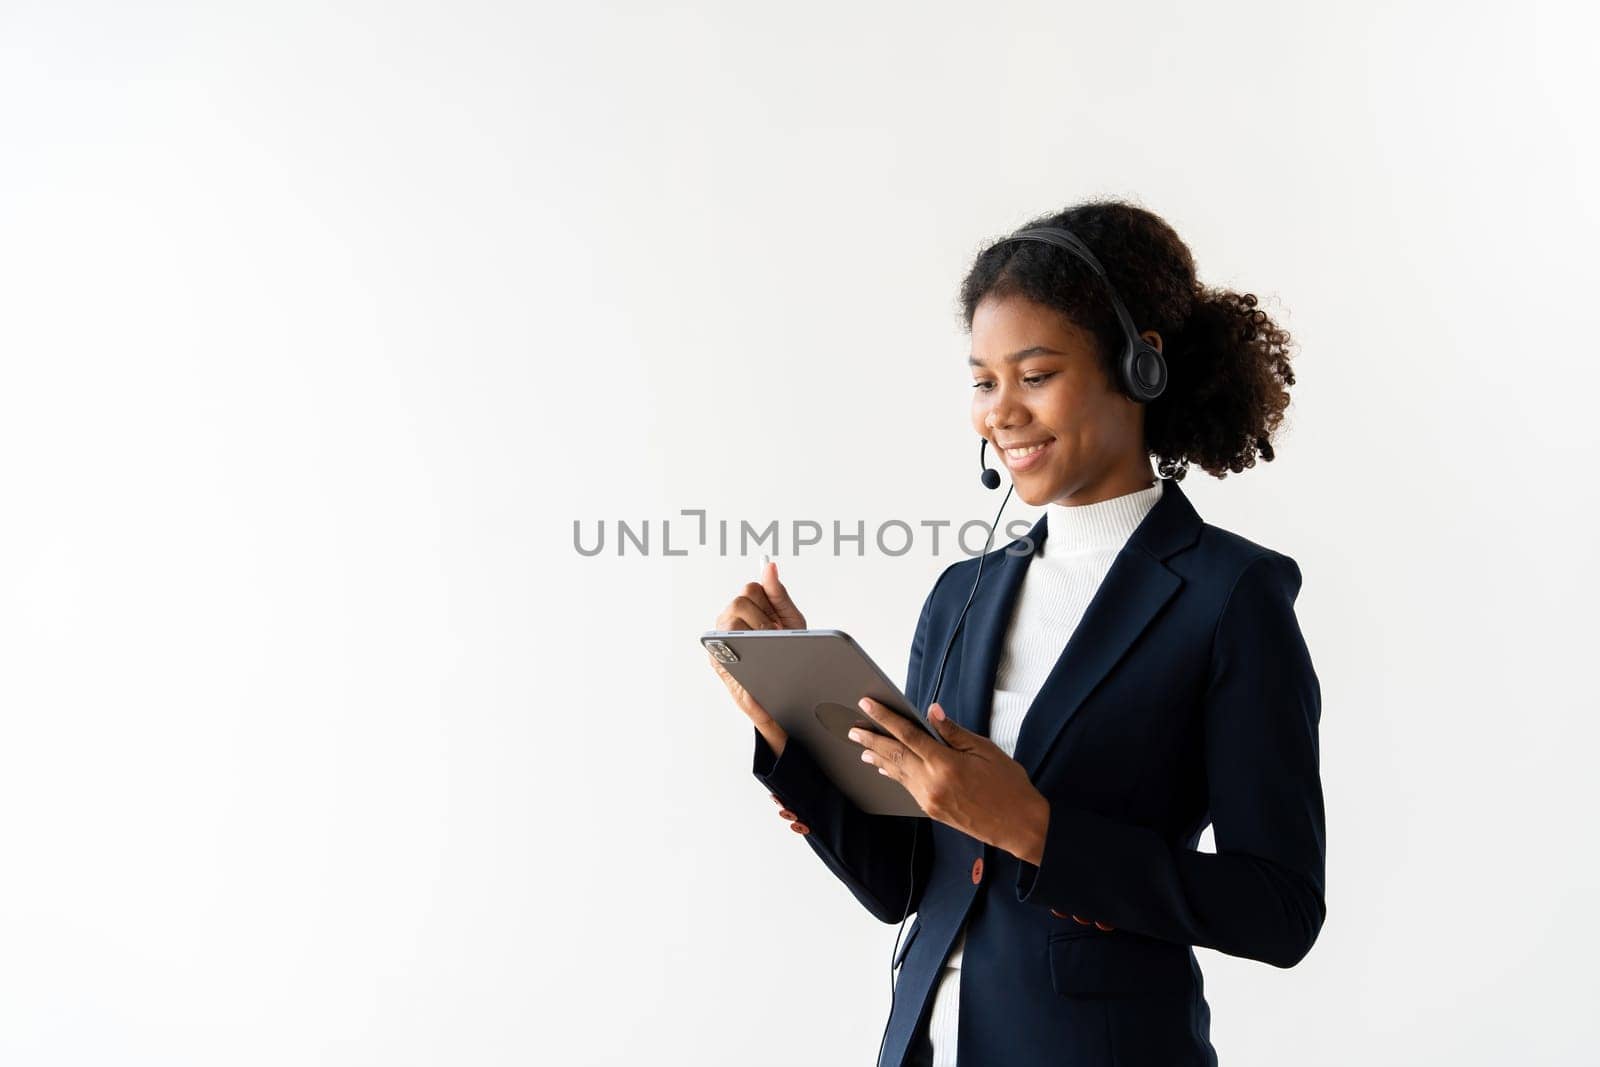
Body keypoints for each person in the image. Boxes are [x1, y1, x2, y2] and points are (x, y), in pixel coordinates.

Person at [709, 198, 1325, 1067]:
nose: (1001, 410)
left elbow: (1281, 907)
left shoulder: (1229, 594)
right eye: (982, 380)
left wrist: (1039, 830)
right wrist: (786, 721)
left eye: (1034, 375)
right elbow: (905, 885)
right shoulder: (962, 592)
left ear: (1138, 368)